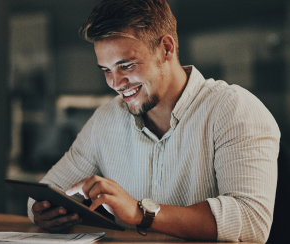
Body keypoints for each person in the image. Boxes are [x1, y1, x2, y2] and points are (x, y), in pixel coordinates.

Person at [27, 0, 280, 242]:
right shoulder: (106, 119)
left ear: (166, 49)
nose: (115, 83)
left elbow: (252, 220)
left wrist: (141, 213)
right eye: (106, 70)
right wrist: (46, 212)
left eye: (125, 65)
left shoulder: (234, 110)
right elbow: (43, 193)